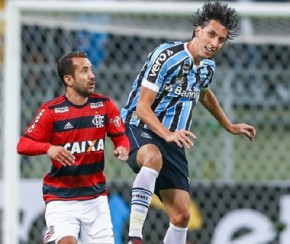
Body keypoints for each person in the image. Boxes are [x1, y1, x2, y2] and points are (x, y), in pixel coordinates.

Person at [121, 2, 256, 244]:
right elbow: (142, 108)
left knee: (182, 215)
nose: (215, 43)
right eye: (211, 34)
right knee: (152, 157)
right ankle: (134, 237)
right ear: (197, 30)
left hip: (172, 140)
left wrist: (230, 126)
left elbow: (205, 94)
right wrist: (167, 134)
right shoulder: (166, 56)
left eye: (221, 40)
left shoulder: (207, 67)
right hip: (139, 127)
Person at [17, 51, 130, 244]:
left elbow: (121, 138)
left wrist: (123, 148)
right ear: (68, 79)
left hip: (95, 198)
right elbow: (23, 144)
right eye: (84, 71)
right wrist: (49, 148)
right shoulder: (51, 111)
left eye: (91, 70)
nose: (92, 75)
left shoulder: (105, 105)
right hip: (61, 198)